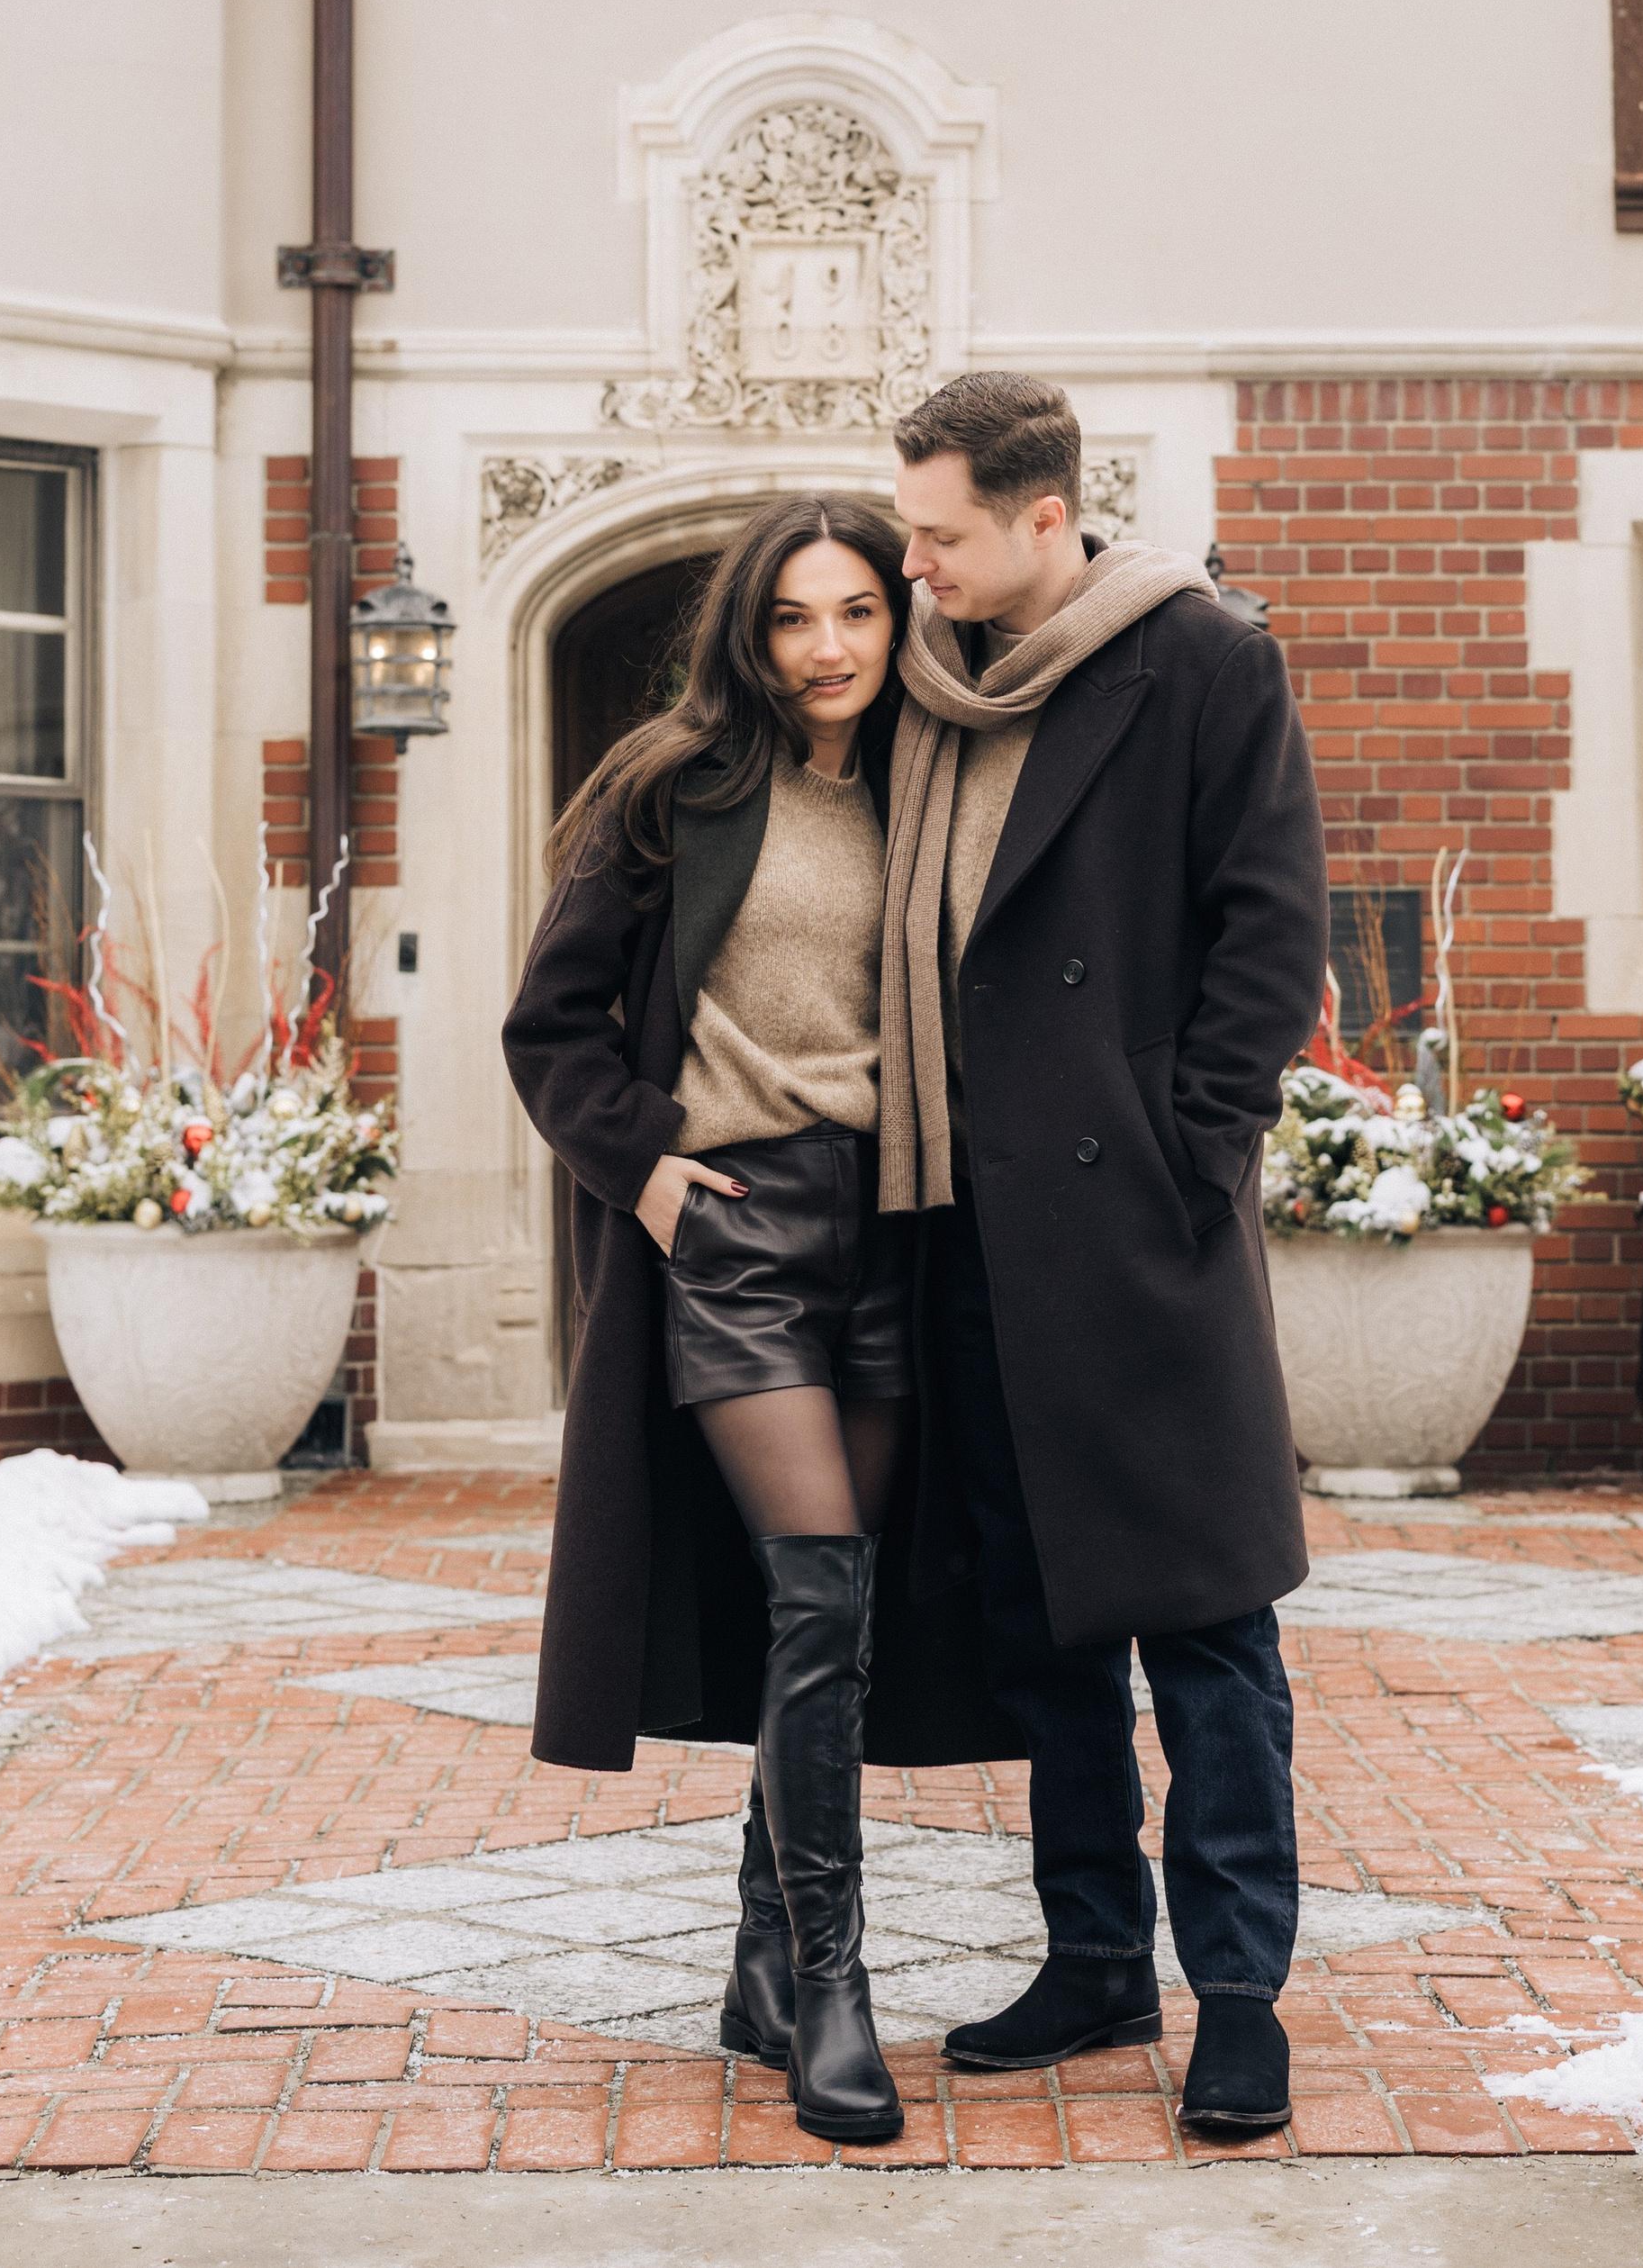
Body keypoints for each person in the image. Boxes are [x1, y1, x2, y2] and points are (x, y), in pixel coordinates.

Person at [501, 495, 1015, 2147]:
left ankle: (757, 1961)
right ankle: (838, 1988)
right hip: (731, 1229)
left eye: (858, 610)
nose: (829, 646)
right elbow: (550, 1022)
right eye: (796, 617)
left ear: (900, 618)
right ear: (752, 628)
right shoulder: (674, 783)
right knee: (816, 1583)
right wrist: (646, 1172)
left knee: (837, 1613)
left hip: (889, 1225)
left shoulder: (936, 784)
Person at [880, 373, 1328, 2135]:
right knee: (1045, 1630)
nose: (910, 563)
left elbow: (1267, 926)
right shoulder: (928, 693)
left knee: (1208, 1629)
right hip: (970, 1233)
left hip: (1136, 1227)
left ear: (1042, 515)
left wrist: (1180, 1158)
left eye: (938, 533)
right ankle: (1089, 1958)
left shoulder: (1199, 657)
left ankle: (1238, 1993)